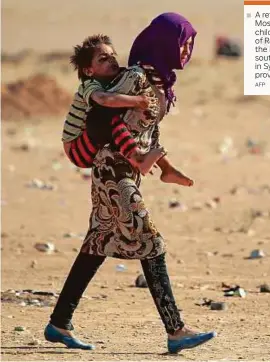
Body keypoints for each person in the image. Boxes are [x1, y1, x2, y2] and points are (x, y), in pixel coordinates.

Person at [44, 12, 216, 354]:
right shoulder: (135, 78)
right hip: (113, 170)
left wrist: (165, 166)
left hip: (127, 170)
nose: (187, 50)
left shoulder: (160, 81)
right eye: (182, 42)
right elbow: (101, 115)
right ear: (164, 42)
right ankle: (176, 329)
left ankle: (59, 323)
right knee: (150, 240)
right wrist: (135, 156)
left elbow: (148, 128)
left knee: (97, 244)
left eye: (190, 44)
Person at [62, 34, 165, 175]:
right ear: (88, 71)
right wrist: (138, 100)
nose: (111, 60)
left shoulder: (118, 81)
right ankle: (137, 158)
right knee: (99, 114)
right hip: (77, 150)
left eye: (113, 56)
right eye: (103, 59)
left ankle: (166, 168)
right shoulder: (89, 85)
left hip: (92, 141)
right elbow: (104, 99)